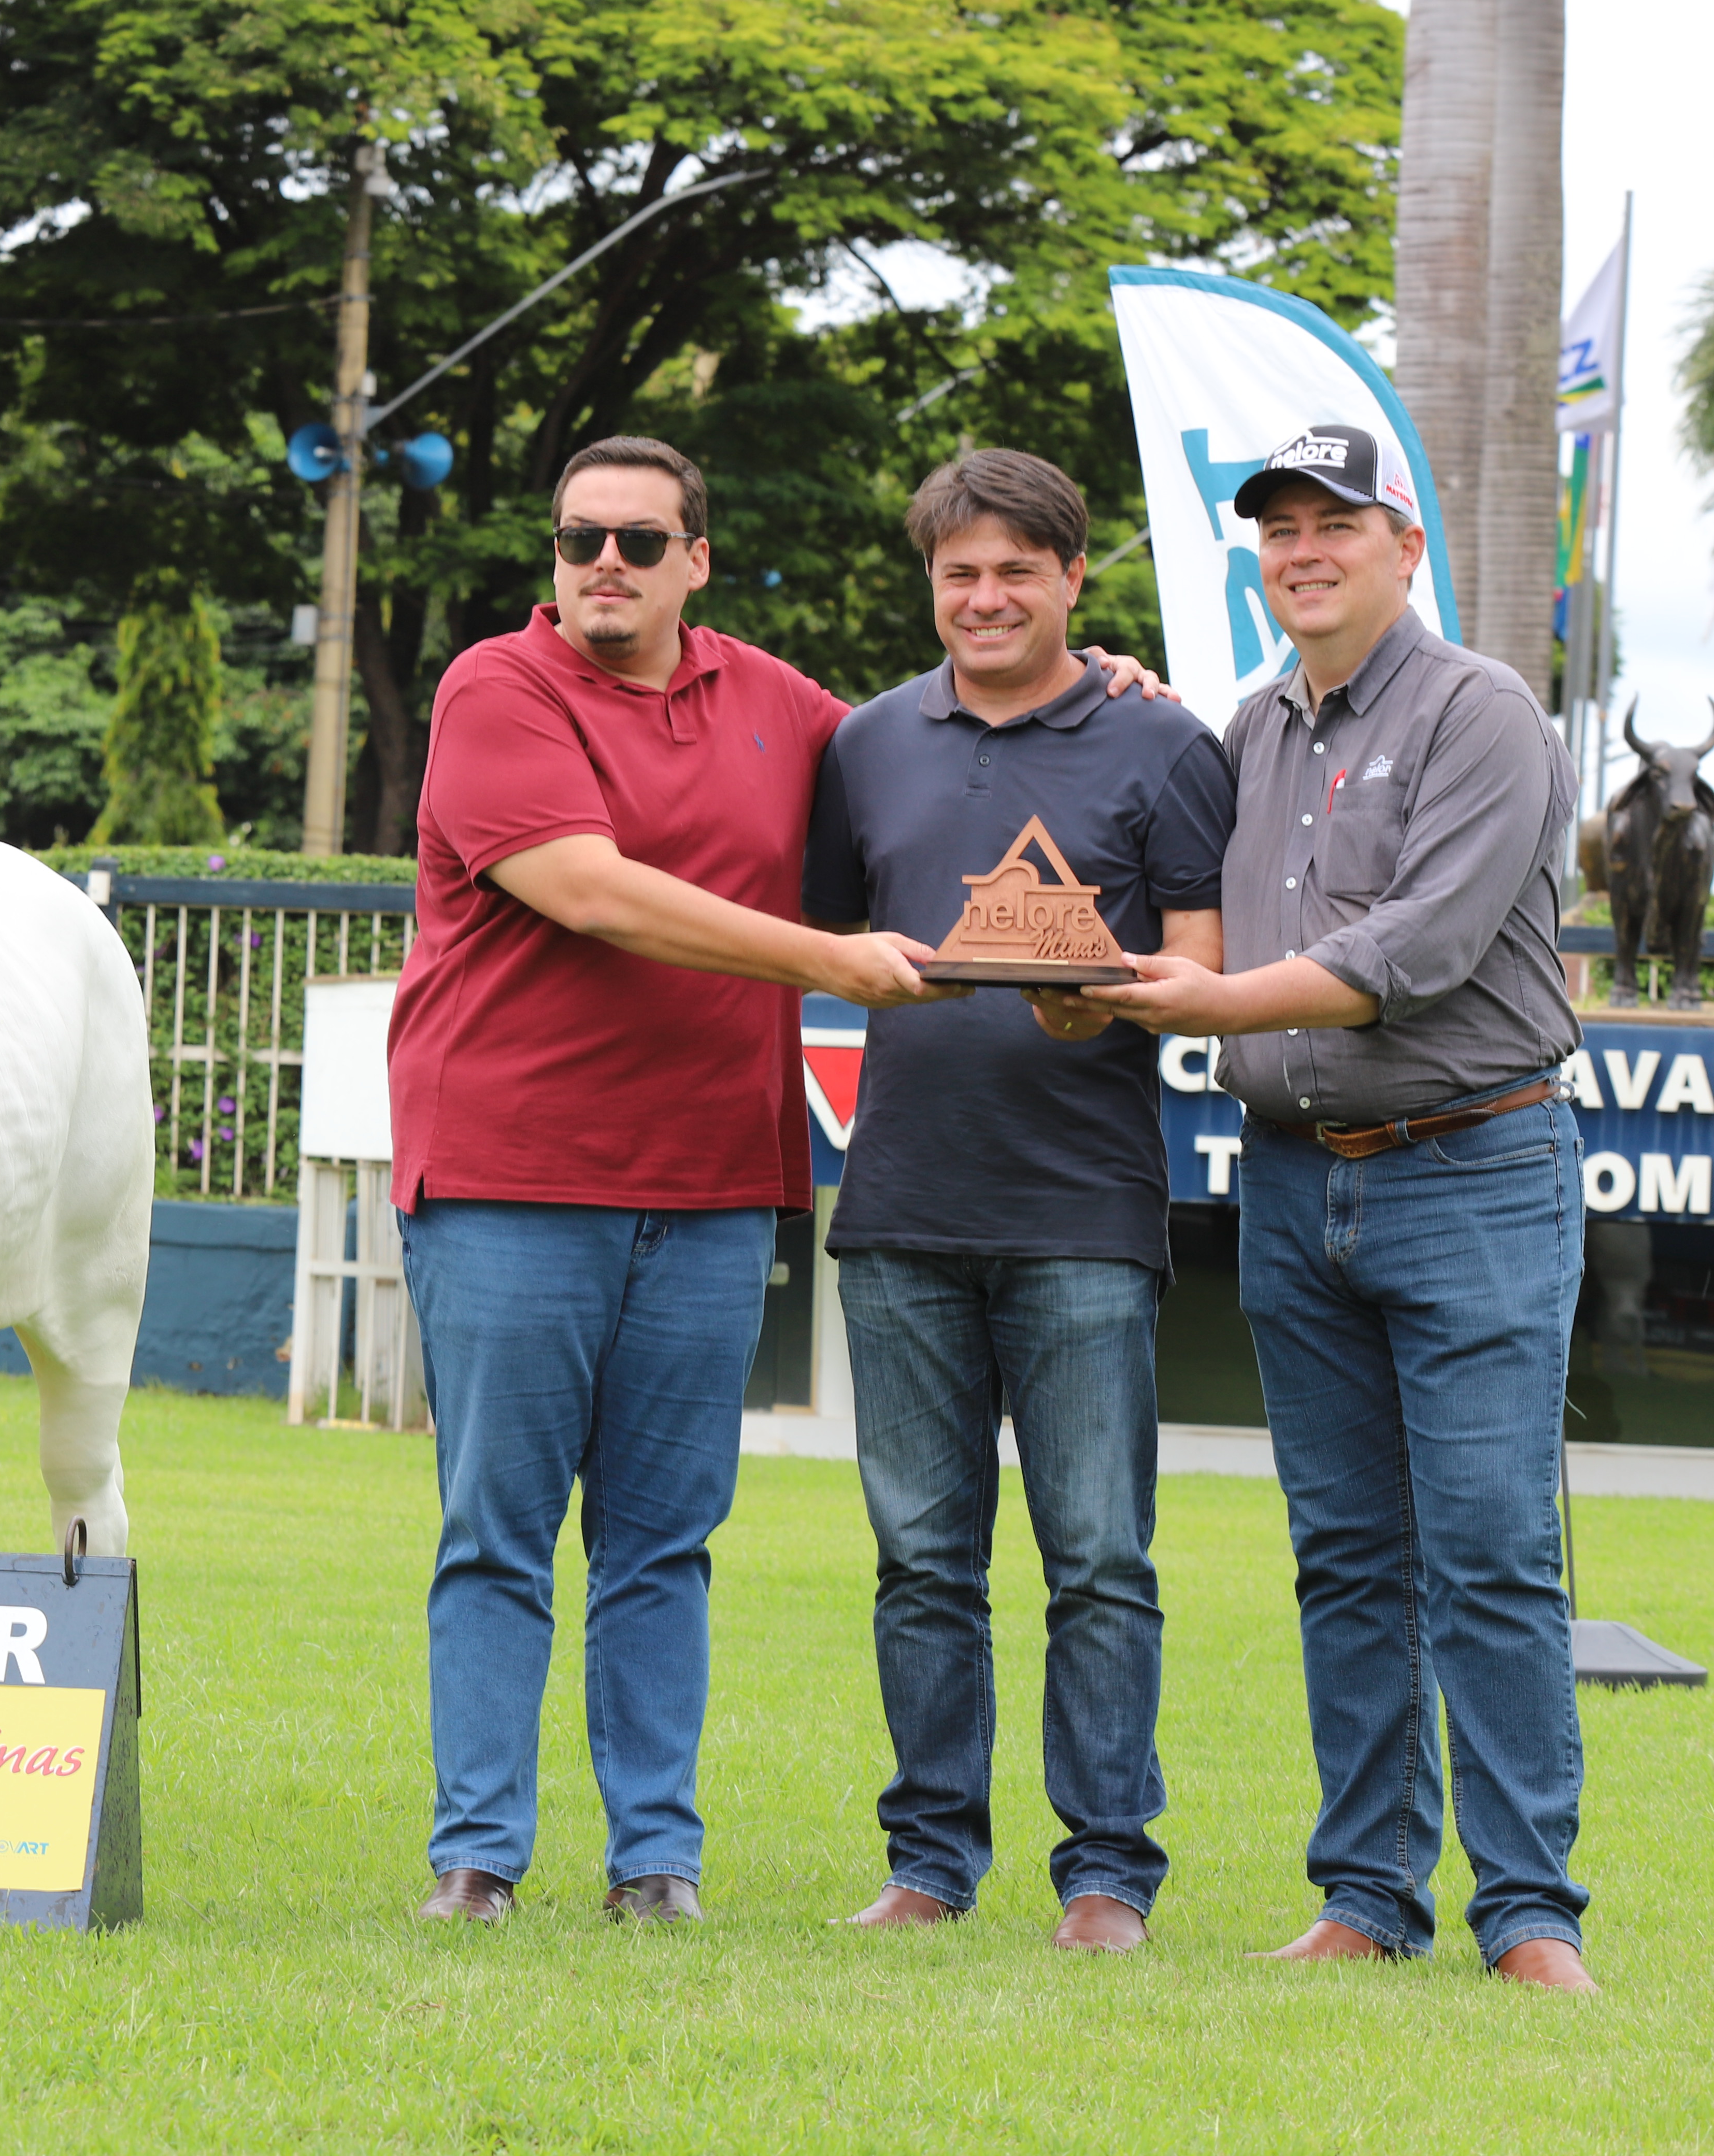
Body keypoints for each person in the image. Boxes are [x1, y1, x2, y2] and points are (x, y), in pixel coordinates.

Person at [387, 434, 1161, 1925]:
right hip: (509, 1173)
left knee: (663, 1542)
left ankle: (655, 1865)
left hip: (714, 1185)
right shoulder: (498, 687)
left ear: (697, 561)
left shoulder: (780, 706)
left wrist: (1094, 682)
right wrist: (827, 959)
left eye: (639, 540)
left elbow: (948, 735)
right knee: (498, 1534)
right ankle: (477, 1857)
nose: (604, 564)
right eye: (579, 538)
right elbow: (591, 891)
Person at [1090, 424, 1597, 1993]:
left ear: (1405, 545)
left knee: (1492, 1551)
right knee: (1348, 1558)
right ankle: (1369, 1897)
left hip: (1476, 1170)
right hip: (1296, 1180)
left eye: (1336, 524)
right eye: (1279, 530)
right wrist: (1122, 707)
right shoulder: (1247, 730)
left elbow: (1415, 953)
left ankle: (1529, 1917)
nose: (1303, 552)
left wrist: (1213, 1001)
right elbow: (1168, 862)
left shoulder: (1483, 710)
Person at [803, 449, 1233, 1953]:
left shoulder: (1161, 742)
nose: (985, 599)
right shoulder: (866, 743)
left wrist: (1097, 1000)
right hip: (900, 1206)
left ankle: (1107, 1877)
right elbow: (824, 945)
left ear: (1072, 580)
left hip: (1084, 1215)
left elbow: (1201, 968)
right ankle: (928, 1864)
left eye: (1016, 572)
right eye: (959, 574)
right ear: (932, 584)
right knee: (922, 1562)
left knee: (1100, 1561)